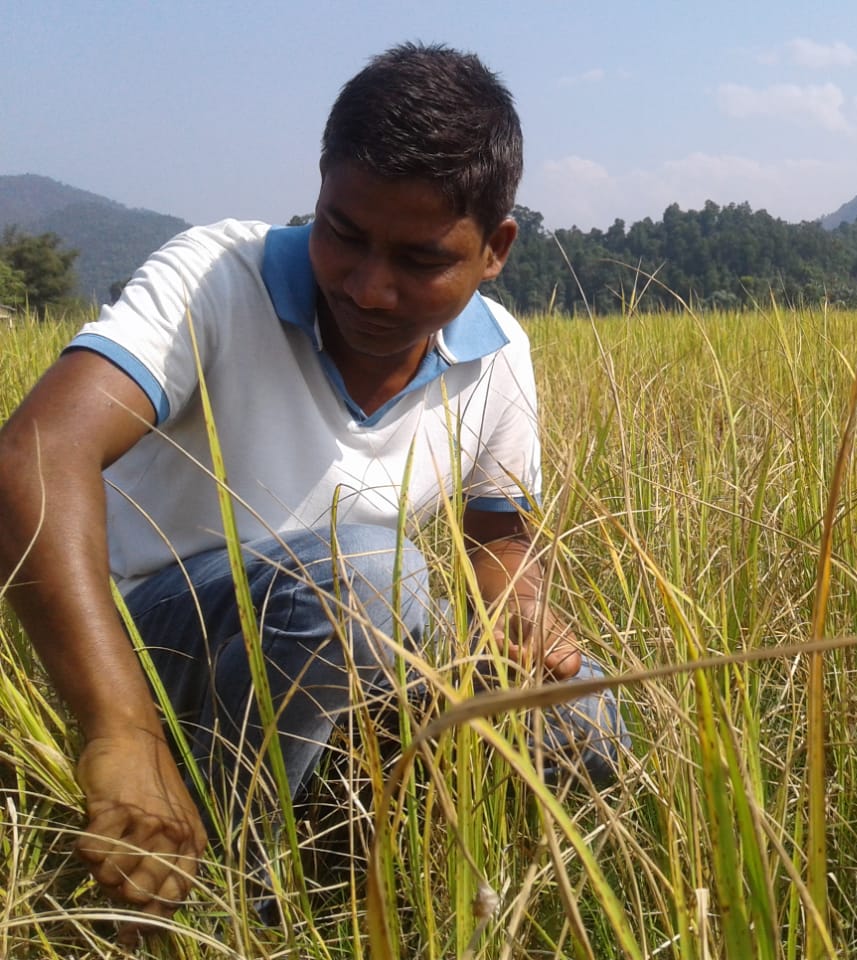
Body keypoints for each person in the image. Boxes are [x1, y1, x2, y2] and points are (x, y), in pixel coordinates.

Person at [0, 42, 628, 935]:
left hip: (351, 650)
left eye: (419, 259)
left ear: (495, 249)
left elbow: (496, 530)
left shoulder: (500, 356)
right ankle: (211, 904)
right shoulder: (219, 277)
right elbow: (35, 454)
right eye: (343, 232)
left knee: (584, 720)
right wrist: (120, 729)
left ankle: (394, 886)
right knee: (370, 575)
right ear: (321, 187)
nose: (369, 287)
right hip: (158, 651)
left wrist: (515, 608)